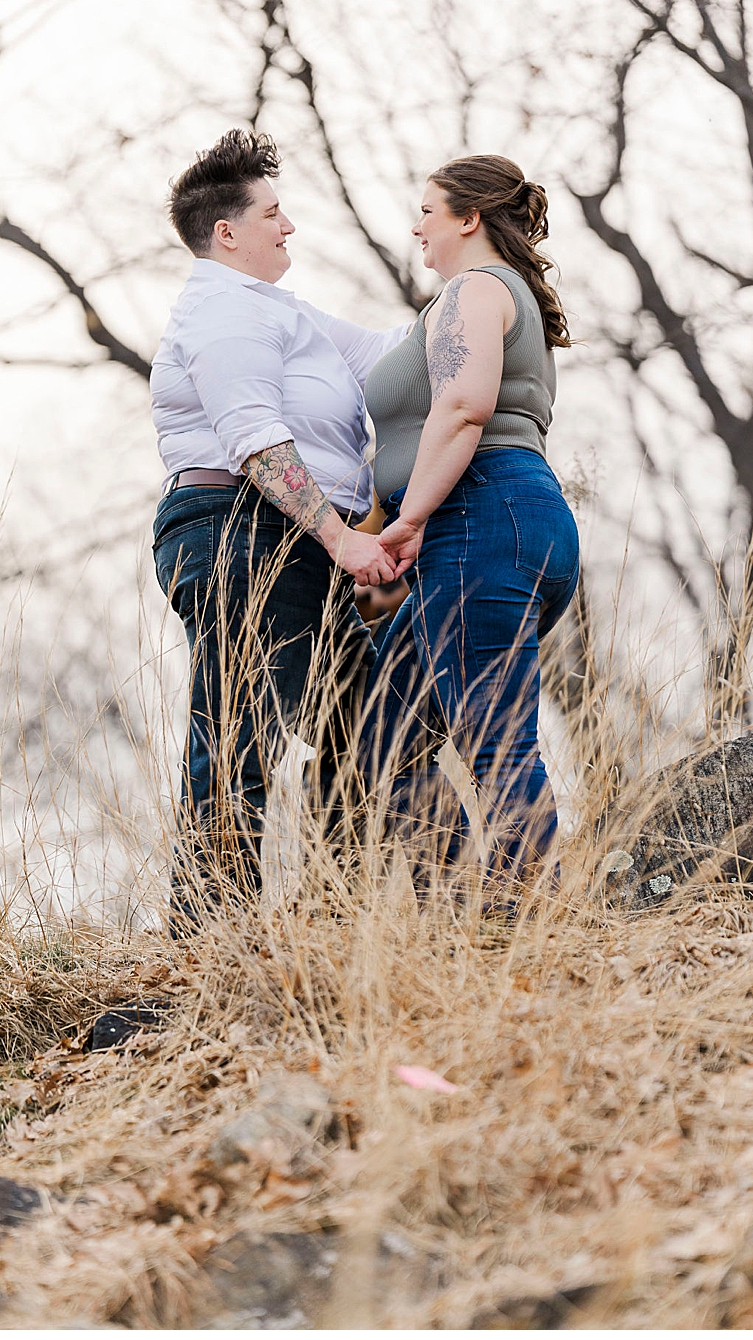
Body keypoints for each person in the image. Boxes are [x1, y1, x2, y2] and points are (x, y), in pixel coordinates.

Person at [150, 129, 409, 934]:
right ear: (227, 233)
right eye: (273, 212)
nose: (289, 225)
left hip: (289, 536)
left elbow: (399, 356)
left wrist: (489, 285)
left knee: (365, 728)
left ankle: (338, 924)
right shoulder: (224, 309)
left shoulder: (282, 312)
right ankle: (208, 943)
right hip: (238, 528)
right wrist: (344, 539)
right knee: (241, 734)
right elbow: (254, 437)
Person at [361, 154, 580, 886]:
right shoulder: (494, 293)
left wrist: (412, 515)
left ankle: (537, 922)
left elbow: (464, 406)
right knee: (384, 727)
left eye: (428, 209)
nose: (416, 224)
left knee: (495, 744)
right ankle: (461, 909)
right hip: (509, 518)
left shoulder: (475, 289)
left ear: (468, 217)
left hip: (480, 518)